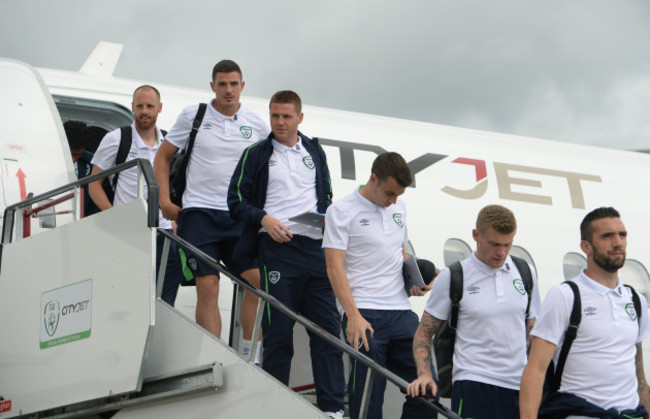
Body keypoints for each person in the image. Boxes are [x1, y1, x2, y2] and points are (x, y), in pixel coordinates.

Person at [227, 90, 345, 418]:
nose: (280, 122)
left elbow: (328, 194)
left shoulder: (314, 151)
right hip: (277, 249)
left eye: (286, 116)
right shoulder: (256, 154)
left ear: (300, 118)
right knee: (279, 330)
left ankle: (332, 409)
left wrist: (326, 219)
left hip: (315, 250)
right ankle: (274, 405)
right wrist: (264, 219)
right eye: (275, 116)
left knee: (327, 332)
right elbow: (235, 201)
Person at [154, 60, 270, 353]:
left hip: (238, 215)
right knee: (208, 285)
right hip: (199, 212)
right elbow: (162, 157)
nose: (228, 90)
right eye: (222, 84)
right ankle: (213, 356)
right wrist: (164, 201)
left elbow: (272, 169)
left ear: (242, 86)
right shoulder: (194, 115)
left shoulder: (256, 124)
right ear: (212, 86)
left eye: (233, 84)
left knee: (258, 283)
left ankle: (249, 358)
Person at [323, 151, 436, 419]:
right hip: (364, 313)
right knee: (368, 396)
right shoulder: (340, 210)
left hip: (400, 311)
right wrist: (352, 315)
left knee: (428, 387)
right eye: (389, 193)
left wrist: (416, 280)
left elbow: (400, 253)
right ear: (373, 179)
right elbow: (333, 266)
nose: (393, 201)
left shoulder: (398, 208)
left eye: (398, 196)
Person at [407, 204, 541, 419]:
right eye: (495, 244)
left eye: (508, 244)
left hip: (519, 386)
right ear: (476, 235)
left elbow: (532, 330)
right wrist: (425, 375)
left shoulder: (526, 272)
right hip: (473, 383)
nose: (502, 252)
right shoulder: (453, 276)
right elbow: (424, 332)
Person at [520, 206, 650, 419]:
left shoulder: (636, 300)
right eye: (607, 236)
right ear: (586, 246)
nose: (618, 243)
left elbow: (639, 374)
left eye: (622, 235)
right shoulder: (565, 296)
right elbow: (535, 371)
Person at [89, 85, 180, 306]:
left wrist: (176, 218)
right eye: (140, 106)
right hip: (129, 232)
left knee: (164, 303)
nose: (144, 111)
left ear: (160, 108)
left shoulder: (170, 143)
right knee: (126, 299)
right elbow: (93, 184)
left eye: (150, 106)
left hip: (165, 234)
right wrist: (114, 215)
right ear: (132, 108)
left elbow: (179, 184)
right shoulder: (116, 138)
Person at [63, 120, 99, 216]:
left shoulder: (92, 163)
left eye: (78, 155)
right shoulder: (50, 161)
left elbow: (96, 199)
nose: (74, 159)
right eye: (70, 154)